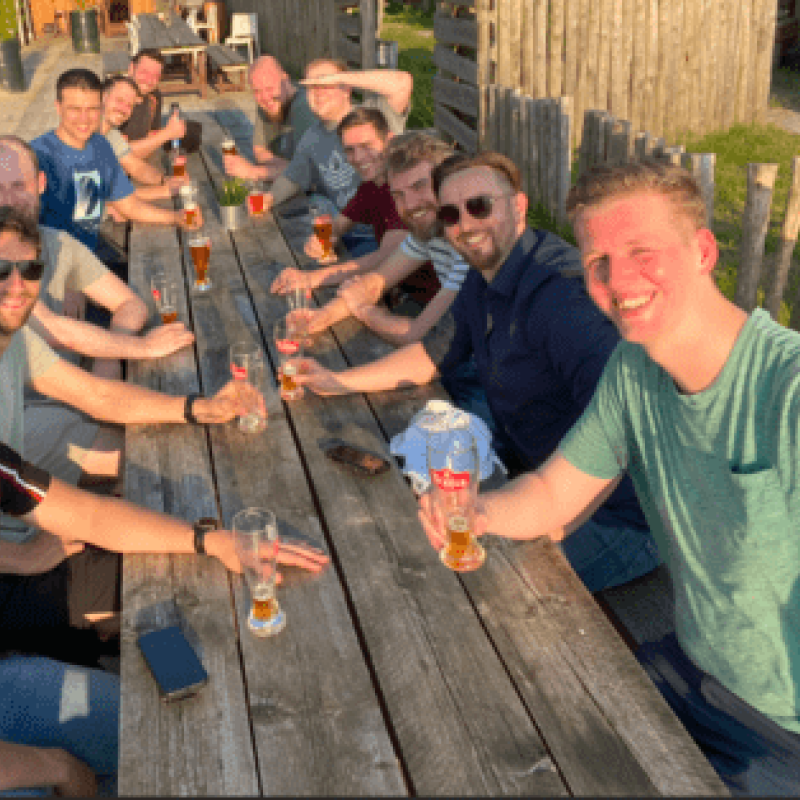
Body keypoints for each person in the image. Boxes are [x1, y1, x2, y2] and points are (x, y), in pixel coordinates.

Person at [421, 157, 800, 795]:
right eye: (598, 262)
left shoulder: (785, 389)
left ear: (703, 252)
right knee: (504, 720)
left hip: (780, 732)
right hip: (693, 668)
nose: (618, 281)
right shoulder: (633, 369)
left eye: (642, 252)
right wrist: (476, 511)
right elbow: (552, 493)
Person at [292, 152, 660, 594]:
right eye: (450, 214)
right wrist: (337, 381)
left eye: (480, 206)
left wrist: (546, 533)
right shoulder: (482, 274)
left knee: (461, 588)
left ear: (519, 206)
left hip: (614, 515)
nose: (465, 224)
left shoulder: (562, 300)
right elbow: (432, 356)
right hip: (531, 471)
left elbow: (627, 435)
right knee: (392, 511)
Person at [0, 206, 329, 661]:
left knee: (179, 516)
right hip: (14, 567)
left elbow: (97, 395)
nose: (17, 285)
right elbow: (86, 517)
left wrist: (198, 407)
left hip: (31, 525)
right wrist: (19, 558)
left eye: (31, 269)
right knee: (188, 590)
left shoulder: (13, 337)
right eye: (2, 270)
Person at [0, 135, 194, 385]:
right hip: (30, 404)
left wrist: (108, 357)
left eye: (18, 186)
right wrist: (140, 347)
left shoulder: (57, 242)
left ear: (41, 183)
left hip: (76, 391)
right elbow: (51, 329)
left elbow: (131, 304)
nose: (8, 201)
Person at [274, 130, 468, 347]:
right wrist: (323, 315)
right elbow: (376, 280)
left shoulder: (469, 243)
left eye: (419, 186)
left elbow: (415, 335)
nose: (410, 204)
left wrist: (365, 310)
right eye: (398, 195)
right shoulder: (427, 231)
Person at [32, 69, 202, 286]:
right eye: (75, 109)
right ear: (58, 108)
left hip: (92, 254)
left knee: (161, 278)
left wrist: (177, 217)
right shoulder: (38, 156)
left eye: (92, 109)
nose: (84, 119)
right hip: (54, 269)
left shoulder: (100, 146)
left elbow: (129, 205)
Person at [260, 58, 413, 257]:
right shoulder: (312, 136)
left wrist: (339, 78)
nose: (318, 92)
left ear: (346, 89)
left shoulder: (373, 115)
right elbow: (293, 177)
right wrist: (268, 198)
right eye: (312, 87)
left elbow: (403, 83)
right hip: (344, 230)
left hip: (392, 232)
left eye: (326, 84)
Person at [222, 55, 319, 183]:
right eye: (257, 91)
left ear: (285, 79)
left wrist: (252, 172)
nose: (265, 97)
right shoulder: (268, 103)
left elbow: (309, 172)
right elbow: (259, 150)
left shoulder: (305, 107)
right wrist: (286, 167)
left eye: (270, 88)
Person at [101, 75, 189, 203]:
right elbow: (103, 199)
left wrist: (165, 180)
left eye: (129, 105)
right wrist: (164, 191)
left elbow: (136, 167)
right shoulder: (84, 132)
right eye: (119, 100)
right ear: (103, 96)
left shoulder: (110, 133)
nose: (124, 109)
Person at [119, 49, 187, 161]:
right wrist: (167, 133)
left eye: (156, 76)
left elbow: (152, 135)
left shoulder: (154, 97)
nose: (149, 80)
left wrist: (174, 131)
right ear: (131, 68)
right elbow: (119, 155)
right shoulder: (115, 99)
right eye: (144, 72)